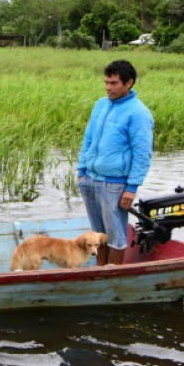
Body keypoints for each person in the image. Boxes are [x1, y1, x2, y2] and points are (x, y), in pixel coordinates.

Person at [77, 59, 154, 266]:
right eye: (106, 82)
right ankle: (100, 273)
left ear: (128, 83)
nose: (108, 87)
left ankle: (114, 275)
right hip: (90, 180)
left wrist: (131, 188)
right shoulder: (100, 105)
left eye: (114, 83)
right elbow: (88, 139)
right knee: (98, 236)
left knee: (116, 236)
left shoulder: (138, 113)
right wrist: (81, 171)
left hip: (115, 184)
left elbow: (142, 154)